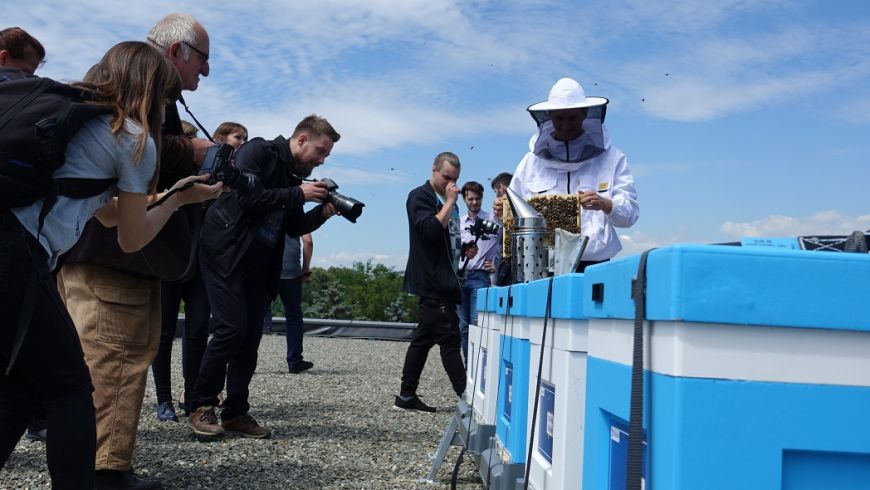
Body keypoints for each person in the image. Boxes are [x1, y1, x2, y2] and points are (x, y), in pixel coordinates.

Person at [0, 40, 220, 490]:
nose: (166, 109)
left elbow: (105, 210)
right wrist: (179, 200)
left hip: (13, 251)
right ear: (154, 92)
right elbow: (133, 236)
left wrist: (176, 193)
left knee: (24, 386)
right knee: (71, 389)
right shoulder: (134, 138)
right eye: (165, 98)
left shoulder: (71, 116)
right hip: (16, 258)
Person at [59, 13, 213, 490]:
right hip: (114, 263)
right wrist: (195, 154)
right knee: (113, 363)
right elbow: (125, 191)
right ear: (175, 53)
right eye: (203, 60)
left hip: (112, 257)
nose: (205, 73)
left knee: (119, 360)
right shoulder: (139, 102)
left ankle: (101, 466)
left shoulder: (108, 91)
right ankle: (103, 472)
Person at [187, 115, 340, 440]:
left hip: (260, 264)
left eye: (326, 155)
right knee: (230, 329)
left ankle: (235, 412)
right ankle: (200, 405)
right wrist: (298, 193)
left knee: (250, 338)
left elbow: (293, 226)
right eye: (320, 150)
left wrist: (322, 213)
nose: (322, 159)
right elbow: (247, 198)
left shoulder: (292, 175)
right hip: (225, 252)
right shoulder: (258, 151)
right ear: (301, 139)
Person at [150, 120, 246, 423]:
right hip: (170, 261)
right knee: (164, 332)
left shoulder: (217, 175)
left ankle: (192, 397)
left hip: (203, 263)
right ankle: (163, 398)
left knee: (196, 331)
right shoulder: (169, 176)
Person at [509, 77, 639, 271]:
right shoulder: (530, 162)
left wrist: (606, 204)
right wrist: (499, 210)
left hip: (594, 266)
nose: (565, 124)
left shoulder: (613, 158)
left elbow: (629, 216)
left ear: (584, 114)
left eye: (572, 117)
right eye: (559, 118)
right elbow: (513, 213)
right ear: (549, 115)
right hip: (544, 265)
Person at [394, 152, 467, 413]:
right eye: (447, 177)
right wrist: (448, 202)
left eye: (455, 179)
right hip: (432, 280)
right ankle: (467, 397)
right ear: (434, 171)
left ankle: (406, 395)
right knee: (449, 340)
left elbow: (448, 239)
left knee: (422, 339)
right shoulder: (421, 196)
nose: (452, 184)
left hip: (447, 280)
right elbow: (429, 231)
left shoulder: (450, 202)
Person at [457, 181, 500, 359]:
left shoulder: (493, 220)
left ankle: (478, 366)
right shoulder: (458, 223)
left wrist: (497, 266)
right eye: (471, 199)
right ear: (464, 199)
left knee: (478, 324)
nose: (474, 202)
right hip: (460, 278)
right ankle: (469, 367)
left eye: (478, 199)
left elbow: (507, 243)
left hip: (480, 277)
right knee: (463, 327)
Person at [279, 233, 314, 372]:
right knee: (294, 318)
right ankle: (294, 361)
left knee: (256, 316)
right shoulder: (297, 212)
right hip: (291, 272)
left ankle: (244, 361)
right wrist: (305, 268)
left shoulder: (265, 211)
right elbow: (308, 241)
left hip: (267, 269)